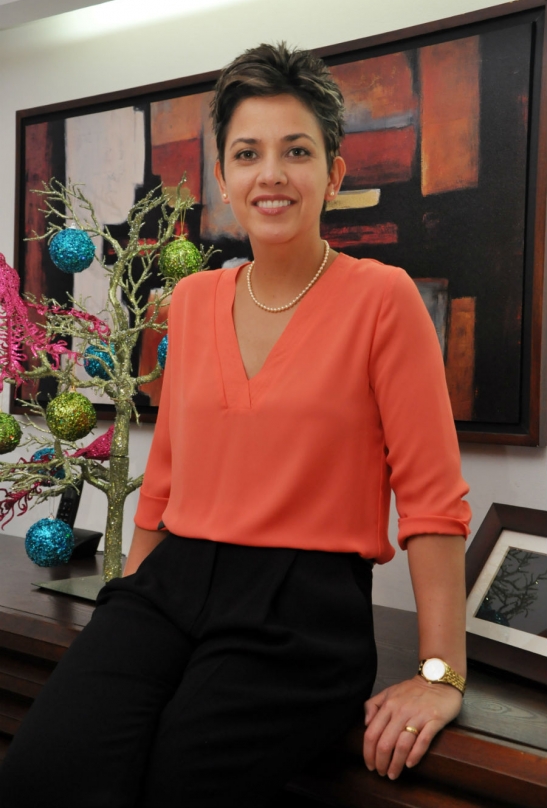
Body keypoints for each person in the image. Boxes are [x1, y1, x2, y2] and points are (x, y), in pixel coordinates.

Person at [0, 42, 470, 808]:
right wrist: (126, 608)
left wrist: (438, 673)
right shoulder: (192, 302)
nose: (270, 174)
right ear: (223, 176)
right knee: (41, 776)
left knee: (176, 790)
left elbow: (431, 500)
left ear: (333, 174)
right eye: (247, 153)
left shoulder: (383, 300)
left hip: (301, 611)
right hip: (169, 583)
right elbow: (166, 481)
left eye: (296, 151)